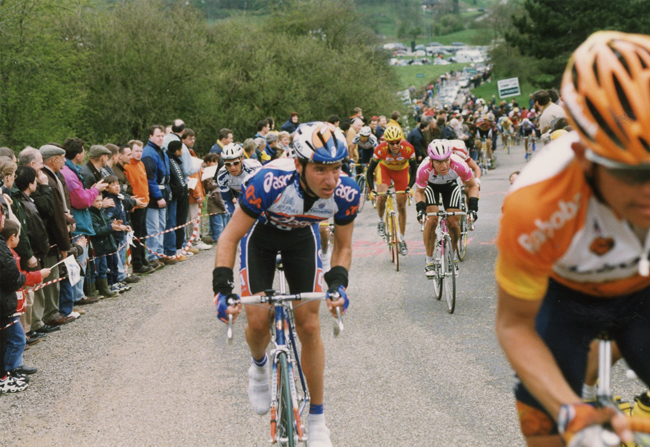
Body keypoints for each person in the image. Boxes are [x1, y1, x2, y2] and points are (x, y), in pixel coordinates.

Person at [495, 31, 650, 447]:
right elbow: (514, 326)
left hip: (642, 294)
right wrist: (568, 409)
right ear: (586, 156)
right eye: (635, 174)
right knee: (545, 422)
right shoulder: (534, 204)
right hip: (565, 298)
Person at [212, 121, 358, 447]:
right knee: (259, 321)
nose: (331, 179)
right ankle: (259, 366)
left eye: (336, 168)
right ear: (299, 165)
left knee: (309, 325)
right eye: (320, 169)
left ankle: (318, 420)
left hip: (301, 240)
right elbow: (230, 236)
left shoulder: (346, 191)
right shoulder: (268, 182)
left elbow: (344, 246)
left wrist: (338, 283)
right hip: (260, 236)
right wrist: (222, 287)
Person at [0, 218, 50, 393]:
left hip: (11, 304)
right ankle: (10, 370)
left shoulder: (8, 252)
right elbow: (17, 278)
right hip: (6, 305)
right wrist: (38, 276)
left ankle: (14, 366)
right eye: (19, 236)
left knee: (13, 339)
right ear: (13, 237)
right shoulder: (7, 254)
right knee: (17, 339)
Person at [415, 140, 479, 276]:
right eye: (438, 162)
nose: (444, 166)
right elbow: (419, 192)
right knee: (432, 220)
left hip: (451, 186)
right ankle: (429, 260)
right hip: (431, 187)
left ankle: (452, 257)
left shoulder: (459, 164)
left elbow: (473, 186)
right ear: (431, 161)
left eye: (446, 161)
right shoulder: (423, 168)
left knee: (453, 223)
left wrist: (473, 207)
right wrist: (420, 209)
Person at [366, 126, 417, 256]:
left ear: (401, 140)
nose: (395, 145)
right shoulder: (380, 149)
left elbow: (414, 169)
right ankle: (381, 221)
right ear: (386, 142)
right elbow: (370, 170)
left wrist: (409, 187)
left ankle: (402, 238)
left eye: (397, 142)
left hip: (402, 172)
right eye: (391, 143)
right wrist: (372, 190)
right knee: (382, 195)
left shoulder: (408, 148)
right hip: (385, 170)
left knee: (401, 206)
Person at [142, 125, 175, 266]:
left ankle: (160, 253)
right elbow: (150, 178)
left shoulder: (162, 151)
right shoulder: (149, 153)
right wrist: (158, 197)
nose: (160, 138)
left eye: (162, 135)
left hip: (164, 191)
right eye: (158, 136)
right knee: (153, 227)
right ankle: (152, 256)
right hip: (155, 194)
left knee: (162, 225)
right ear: (151, 136)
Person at [123, 140, 157, 273]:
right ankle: (137, 263)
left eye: (140, 151)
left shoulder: (141, 164)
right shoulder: (127, 167)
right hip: (135, 206)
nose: (139, 153)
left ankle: (143, 259)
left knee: (143, 233)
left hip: (144, 203)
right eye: (136, 151)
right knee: (136, 234)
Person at [216, 143, 262, 216]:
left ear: (242, 159)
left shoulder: (254, 169)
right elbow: (227, 200)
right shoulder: (222, 176)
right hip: (243, 196)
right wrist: (234, 217)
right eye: (228, 164)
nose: (232, 167)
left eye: (236, 163)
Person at [202, 154, 228, 245]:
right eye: (213, 161)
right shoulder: (207, 173)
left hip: (219, 205)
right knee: (217, 224)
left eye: (216, 162)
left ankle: (216, 237)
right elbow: (209, 186)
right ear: (208, 162)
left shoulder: (219, 172)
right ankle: (217, 237)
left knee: (221, 223)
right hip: (214, 204)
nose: (215, 164)